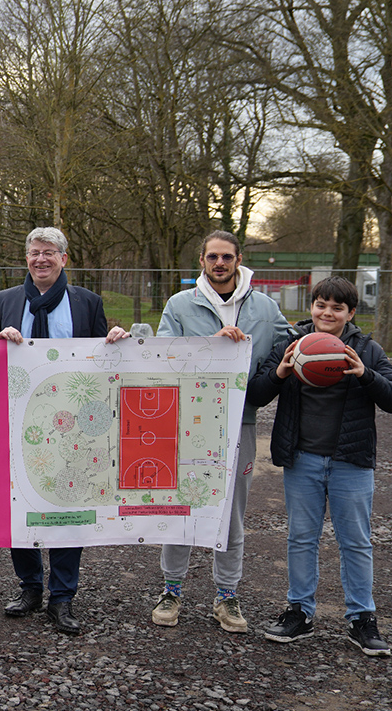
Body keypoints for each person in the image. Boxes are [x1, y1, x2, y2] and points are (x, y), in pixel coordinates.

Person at [247, 277, 392, 657]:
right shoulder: (292, 345)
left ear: (350, 313)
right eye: (321, 305)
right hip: (303, 459)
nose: (327, 313)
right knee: (301, 538)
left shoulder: (367, 350)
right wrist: (281, 372)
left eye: (336, 308)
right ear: (313, 306)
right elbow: (254, 392)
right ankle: (299, 611)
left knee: (355, 541)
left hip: (351, 461)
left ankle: (361, 618)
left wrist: (365, 375)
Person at [0, 226, 128, 636]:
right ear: (26, 258)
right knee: (19, 501)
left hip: (72, 425)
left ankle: (62, 597)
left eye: (49, 252)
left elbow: (106, 358)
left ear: (64, 258)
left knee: (68, 504)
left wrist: (117, 338)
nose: (40, 259)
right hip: (17, 420)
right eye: (34, 253)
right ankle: (30, 587)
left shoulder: (87, 302)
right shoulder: (7, 300)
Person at [150, 231, 288, 634]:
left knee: (232, 511)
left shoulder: (263, 307)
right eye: (213, 257)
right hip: (189, 421)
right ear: (202, 261)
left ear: (239, 259)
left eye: (227, 257)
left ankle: (227, 595)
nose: (220, 263)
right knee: (182, 504)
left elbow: (284, 347)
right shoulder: (180, 304)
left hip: (240, 421)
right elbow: (163, 353)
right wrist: (211, 345)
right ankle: (171, 589)